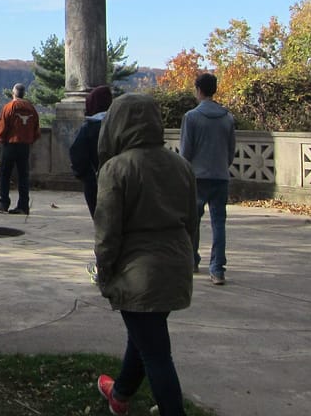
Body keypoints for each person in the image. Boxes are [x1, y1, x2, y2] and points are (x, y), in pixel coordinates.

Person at [94, 93, 197, 416]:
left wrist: (104, 271)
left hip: (137, 270)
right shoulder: (180, 165)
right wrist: (190, 258)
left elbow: (108, 231)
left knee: (156, 352)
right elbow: (192, 221)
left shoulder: (116, 168)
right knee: (144, 336)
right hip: (175, 264)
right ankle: (120, 394)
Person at [179, 72, 236, 286]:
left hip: (197, 176)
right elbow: (231, 150)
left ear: (198, 90)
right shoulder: (227, 117)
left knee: (192, 221)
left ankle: (192, 260)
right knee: (218, 223)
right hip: (220, 176)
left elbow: (186, 151)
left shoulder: (191, 117)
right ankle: (218, 269)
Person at [0, 83, 41, 214]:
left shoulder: (9, 107)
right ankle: (23, 206)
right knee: (23, 176)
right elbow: (37, 128)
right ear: (23, 94)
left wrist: (2, 139)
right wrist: (30, 140)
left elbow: (2, 126)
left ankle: (4, 203)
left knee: (5, 175)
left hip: (10, 144)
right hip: (24, 146)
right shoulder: (31, 108)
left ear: (13, 93)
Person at [69, 85, 114, 218]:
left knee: (101, 218)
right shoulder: (119, 125)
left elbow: (77, 153)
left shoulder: (89, 127)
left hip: (95, 179)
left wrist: (85, 176)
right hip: (121, 179)